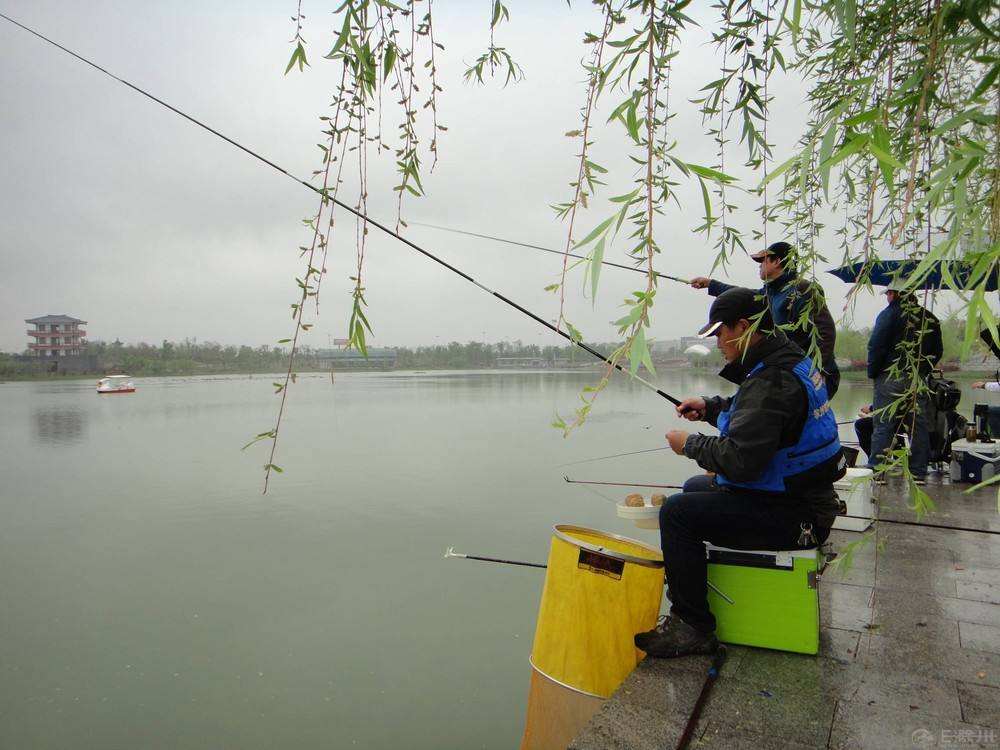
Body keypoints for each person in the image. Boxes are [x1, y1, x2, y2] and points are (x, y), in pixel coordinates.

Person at [634, 287, 845, 658]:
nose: (718, 342)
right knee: (695, 488)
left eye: (720, 333)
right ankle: (701, 591)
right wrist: (711, 407)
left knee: (677, 513)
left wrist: (689, 445)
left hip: (799, 515)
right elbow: (757, 415)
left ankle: (692, 625)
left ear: (744, 327)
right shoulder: (788, 361)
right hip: (801, 498)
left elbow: (741, 462)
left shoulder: (772, 380)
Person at [690, 241, 841, 398]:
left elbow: (825, 332)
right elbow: (743, 296)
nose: (759, 266)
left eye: (763, 260)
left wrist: (816, 370)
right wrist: (711, 284)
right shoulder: (769, 292)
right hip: (790, 372)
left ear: (777, 261)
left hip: (810, 374)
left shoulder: (802, 289)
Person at [866, 282, 943, 484]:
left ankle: (878, 471)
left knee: (883, 425)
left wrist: (874, 372)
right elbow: (937, 350)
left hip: (890, 377)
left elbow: (876, 345)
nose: (887, 298)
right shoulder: (930, 318)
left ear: (893, 293)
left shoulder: (889, 314)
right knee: (918, 426)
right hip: (917, 379)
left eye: (888, 294)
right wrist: (923, 371)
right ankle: (918, 472)